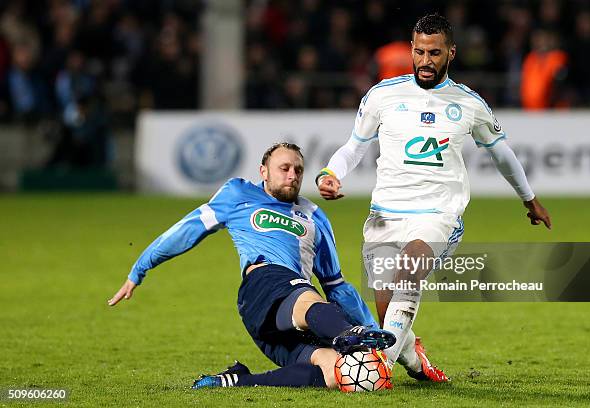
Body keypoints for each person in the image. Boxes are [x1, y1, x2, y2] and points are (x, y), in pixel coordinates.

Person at [317, 14, 551, 383]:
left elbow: (502, 153)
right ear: (412, 50)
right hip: (385, 212)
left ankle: (378, 368)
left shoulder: (469, 103)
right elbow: (353, 147)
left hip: (439, 212)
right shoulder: (382, 96)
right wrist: (331, 174)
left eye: (435, 53)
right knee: (385, 309)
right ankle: (414, 359)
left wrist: (528, 198)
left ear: (451, 53)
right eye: (420, 51)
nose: (426, 60)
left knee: (412, 265)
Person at [108, 143, 395, 389]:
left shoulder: (314, 217)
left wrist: (370, 327)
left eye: (298, 170)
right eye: (284, 168)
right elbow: (188, 229)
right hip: (266, 284)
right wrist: (139, 268)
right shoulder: (238, 194)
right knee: (309, 299)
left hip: (284, 317)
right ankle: (346, 335)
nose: (292, 175)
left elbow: (336, 286)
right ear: (264, 171)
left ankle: (240, 380)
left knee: (335, 373)